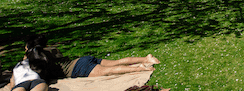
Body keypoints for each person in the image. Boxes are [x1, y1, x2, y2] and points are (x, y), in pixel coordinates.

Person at [26, 34, 160, 78]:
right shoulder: (51, 49)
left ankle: (141, 68)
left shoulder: (35, 58)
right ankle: (146, 58)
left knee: (109, 71)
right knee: (116, 62)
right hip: (82, 60)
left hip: (78, 69)